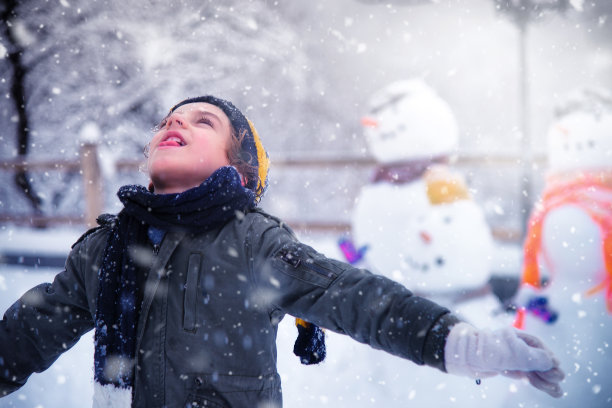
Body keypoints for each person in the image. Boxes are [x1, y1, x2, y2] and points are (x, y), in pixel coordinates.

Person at [0, 95, 565, 407]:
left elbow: (356, 297)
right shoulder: (105, 251)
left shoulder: (253, 242)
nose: (175, 121)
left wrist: (459, 343)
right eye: (170, 119)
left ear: (238, 169)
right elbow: (23, 337)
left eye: (203, 121)